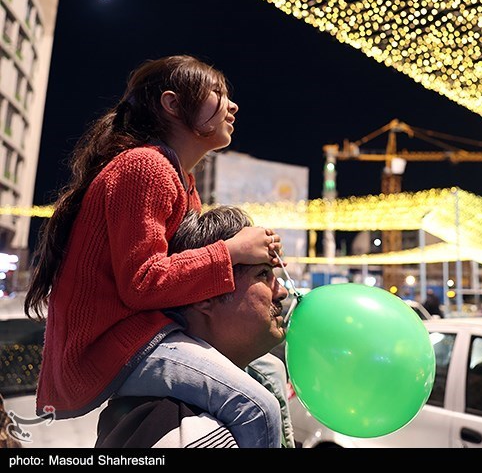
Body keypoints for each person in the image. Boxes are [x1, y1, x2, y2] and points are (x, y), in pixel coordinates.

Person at [24, 55, 284, 448]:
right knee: (257, 407)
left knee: (269, 370)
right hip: (115, 345)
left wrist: (247, 253)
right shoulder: (146, 167)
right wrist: (231, 251)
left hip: (146, 336)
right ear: (172, 103)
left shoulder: (181, 179)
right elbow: (143, 283)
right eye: (217, 93)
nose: (232, 106)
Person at [97, 205, 293, 448]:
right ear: (205, 296)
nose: (282, 292)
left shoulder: (259, 380)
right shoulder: (188, 435)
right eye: (263, 275)